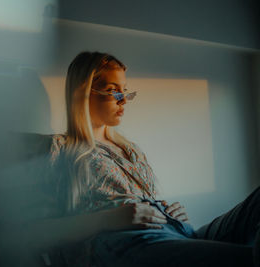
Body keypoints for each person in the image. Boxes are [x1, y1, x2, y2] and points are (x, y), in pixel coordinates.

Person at [45, 51, 260, 267]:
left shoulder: (130, 150)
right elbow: (41, 230)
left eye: (125, 91)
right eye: (113, 91)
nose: (123, 100)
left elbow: (145, 200)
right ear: (82, 93)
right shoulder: (62, 149)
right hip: (129, 240)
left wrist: (168, 210)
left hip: (177, 230)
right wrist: (108, 219)